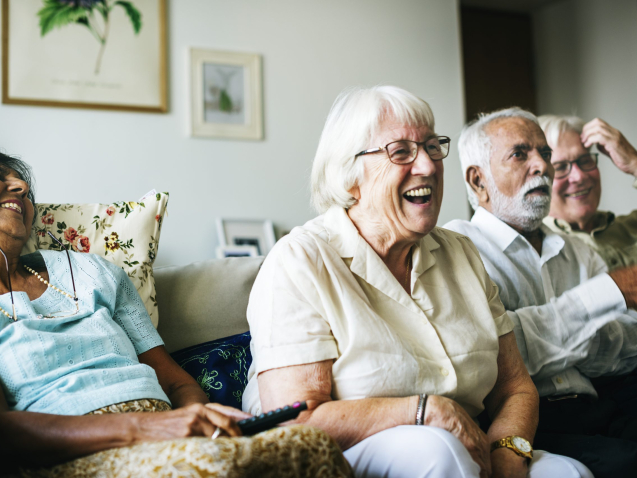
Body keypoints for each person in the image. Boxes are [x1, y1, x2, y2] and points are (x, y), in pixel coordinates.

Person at [242, 86, 591, 478]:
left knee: (569, 473)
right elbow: (294, 421)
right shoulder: (300, 260)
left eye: (431, 146)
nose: (427, 165)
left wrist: (508, 450)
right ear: (350, 173)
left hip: (470, 445)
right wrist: (426, 411)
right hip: (354, 455)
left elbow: (515, 388)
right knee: (437, 450)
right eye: (402, 152)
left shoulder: (461, 253)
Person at [0, 152, 352, 478]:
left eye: (23, 185)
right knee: (205, 467)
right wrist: (144, 429)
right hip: (73, 452)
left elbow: (176, 381)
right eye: (3, 179)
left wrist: (201, 418)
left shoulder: (93, 271)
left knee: (313, 445)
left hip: (166, 431)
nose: (21, 187)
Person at [444, 107, 637, 478]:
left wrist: (549, 335)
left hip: (601, 402)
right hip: (527, 421)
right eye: (521, 154)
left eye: (544, 154)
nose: (543, 166)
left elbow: (627, 345)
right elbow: (497, 355)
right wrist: (604, 297)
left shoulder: (579, 251)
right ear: (478, 181)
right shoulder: (458, 247)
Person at [539, 115, 637, 270]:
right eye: (560, 167)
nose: (579, 176)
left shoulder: (631, 228)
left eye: (585, 160)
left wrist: (634, 162)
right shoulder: (537, 251)